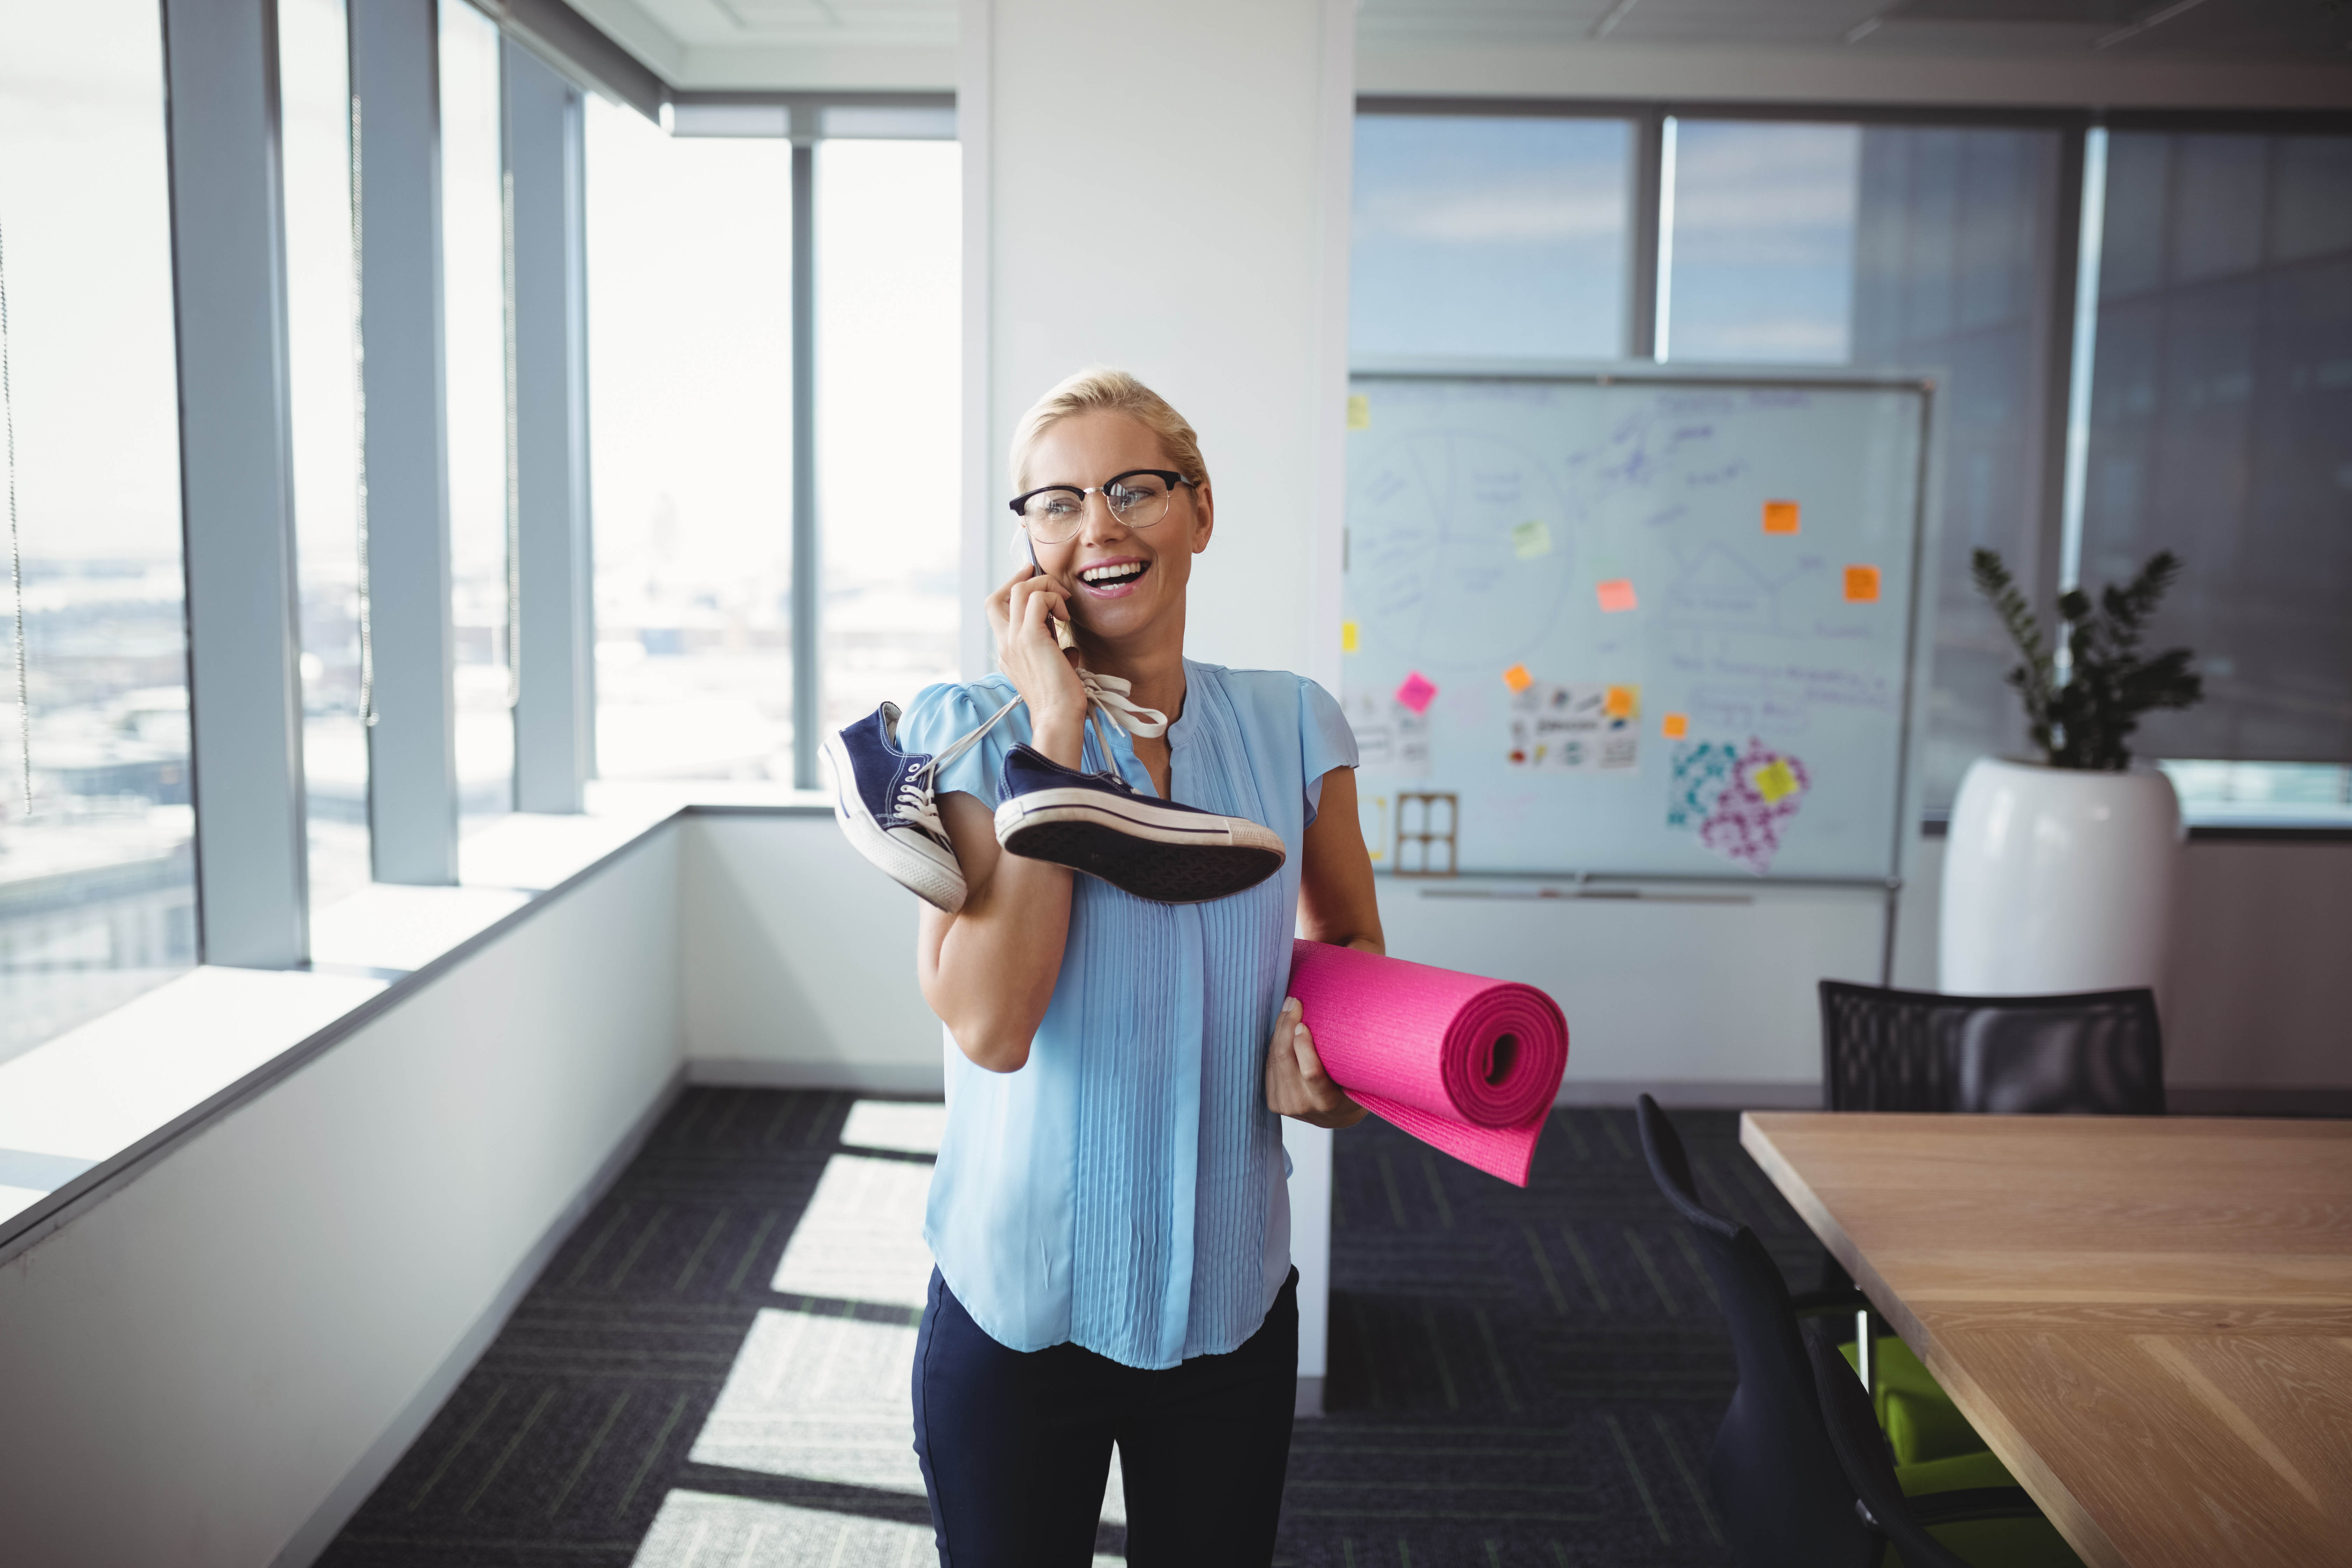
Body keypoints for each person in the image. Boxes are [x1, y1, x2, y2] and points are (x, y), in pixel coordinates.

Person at [896, 367, 1383, 1566]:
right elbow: (992, 1027)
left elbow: (1351, 951)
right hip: (1019, 1309)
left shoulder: (1293, 725)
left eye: (1134, 490)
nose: (1097, 527)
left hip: (1230, 1300)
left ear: (1200, 512)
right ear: (1028, 545)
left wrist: (1331, 1064)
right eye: (1055, 503)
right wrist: (1052, 728)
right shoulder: (966, 728)